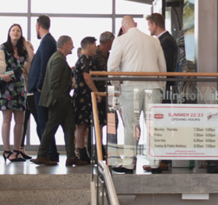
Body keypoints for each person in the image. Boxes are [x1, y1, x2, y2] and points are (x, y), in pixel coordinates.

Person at [107, 15, 166, 174]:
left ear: (123, 28)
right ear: (136, 24)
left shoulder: (121, 40)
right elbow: (162, 68)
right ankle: (154, 163)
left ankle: (128, 163)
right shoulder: (154, 41)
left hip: (130, 88)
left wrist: (117, 86)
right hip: (152, 88)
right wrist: (161, 88)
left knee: (131, 127)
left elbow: (112, 67)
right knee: (153, 126)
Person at [33, 35, 81, 167]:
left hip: (62, 101)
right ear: (64, 45)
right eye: (71, 44)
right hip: (59, 102)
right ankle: (42, 155)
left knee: (69, 127)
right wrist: (63, 98)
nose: (73, 46)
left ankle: (71, 156)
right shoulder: (58, 59)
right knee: (51, 128)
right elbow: (54, 84)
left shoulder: (58, 58)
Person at [0, 22, 33, 162]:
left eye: (18, 30)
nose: (16, 32)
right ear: (9, 32)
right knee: (7, 119)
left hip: (19, 87)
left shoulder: (23, 50)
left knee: (20, 120)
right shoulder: (2, 48)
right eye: (13, 30)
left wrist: (26, 44)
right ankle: (6, 150)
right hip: (7, 86)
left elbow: (32, 58)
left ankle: (17, 150)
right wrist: (1, 76)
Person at [145, 13, 178, 171]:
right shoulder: (163, 41)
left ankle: (164, 161)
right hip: (162, 88)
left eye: (149, 25)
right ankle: (160, 160)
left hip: (165, 89)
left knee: (162, 124)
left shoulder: (166, 42)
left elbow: (166, 68)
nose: (148, 28)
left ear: (154, 24)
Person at [26, 15, 56, 151]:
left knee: (44, 123)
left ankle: (48, 153)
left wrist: (39, 85)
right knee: (43, 122)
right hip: (40, 88)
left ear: (38, 26)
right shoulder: (48, 41)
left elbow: (44, 64)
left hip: (40, 90)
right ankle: (49, 152)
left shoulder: (46, 41)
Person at [72, 36, 101, 165]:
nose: (96, 48)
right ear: (89, 46)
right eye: (94, 45)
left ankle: (81, 150)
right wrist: (96, 92)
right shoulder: (86, 59)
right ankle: (82, 151)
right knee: (82, 124)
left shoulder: (80, 59)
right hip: (84, 95)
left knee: (81, 125)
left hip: (79, 94)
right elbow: (86, 76)